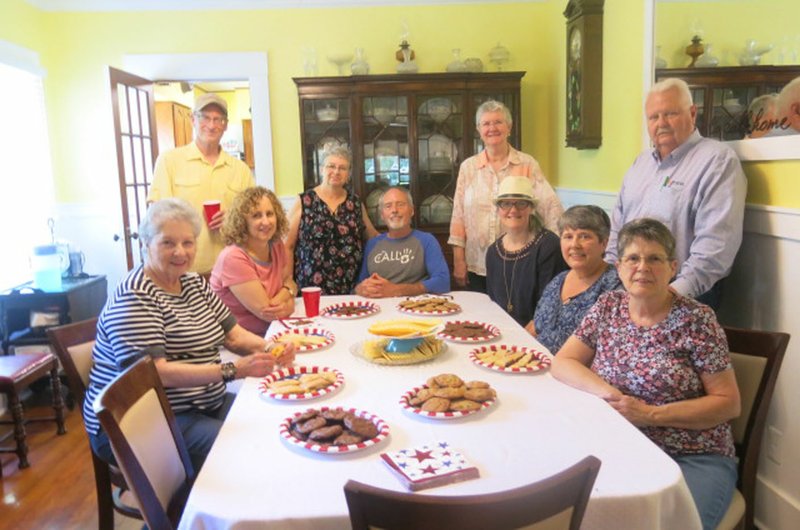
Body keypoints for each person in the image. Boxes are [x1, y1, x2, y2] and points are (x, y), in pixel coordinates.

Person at [552, 218, 740, 530]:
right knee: (570, 511)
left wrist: (650, 415)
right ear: (619, 266)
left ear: (673, 267)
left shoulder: (698, 320)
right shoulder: (608, 305)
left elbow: (728, 403)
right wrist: (612, 396)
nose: (643, 267)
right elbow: (564, 361)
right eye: (633, 258)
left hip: (691, 456)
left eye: (654, 258)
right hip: (617, 443)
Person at [83, 198, 295, 472]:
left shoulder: (193, 283)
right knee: (251, 449)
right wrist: (233, 370)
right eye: (168, 243)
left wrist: (270, 347)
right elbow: (156, 373)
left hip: (199, 406)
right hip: (142, 421)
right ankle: (211, 510)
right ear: (145, 244)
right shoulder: (135, 296)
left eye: (188, 242)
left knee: (276, 421)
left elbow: (233, 336)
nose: (180, 251)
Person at [606, 78, 746, 310]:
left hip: (683, 294)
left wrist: (670, 295)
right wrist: (611, 282)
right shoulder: (640, 164)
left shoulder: (717, 161)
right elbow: (617, 228)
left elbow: (716, 248)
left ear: (692, 113)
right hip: (628, 289)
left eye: (670, 114)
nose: (661, 123)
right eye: (653, 117)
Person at [449, 100, 563, 293]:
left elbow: (550, 208)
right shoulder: (468, 167)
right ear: (478, 129)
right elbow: (458, 216)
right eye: (486, 123)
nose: (492, 128)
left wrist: (558, 251)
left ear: (509, 127)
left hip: (518, 262)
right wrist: (459, 260)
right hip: (477, 263)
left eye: (498, 122)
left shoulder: (527, 163)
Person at [149, 93, 254, 275]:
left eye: (218, 119)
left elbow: (255, 217)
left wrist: (233, 218)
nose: (211, 125)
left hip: (230, 273)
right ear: (193, 120)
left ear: (225, 125)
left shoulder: (240, 169)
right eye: (205, 117)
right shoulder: (169, 161)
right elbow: (156, 216)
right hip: (183, 271)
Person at [286, 146, 378, 295]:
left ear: (348, 174)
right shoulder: (304, 201)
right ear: (322, 169)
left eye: (342, 168)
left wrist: (400, 240)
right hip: (311, 289)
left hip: (351, 287)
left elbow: (373, 238)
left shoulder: (355, 203)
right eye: (331, 166)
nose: (336, 172)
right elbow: (287, 246)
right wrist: (287, 280)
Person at [532, 205, 621, 353]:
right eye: (568, 236)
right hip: (536, 365)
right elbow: (536, 326)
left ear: (604, 243)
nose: (574, 245)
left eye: (585, 236)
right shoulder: (558, 280)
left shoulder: (615, 288)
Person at [210, 187, 297, 337]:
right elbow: (267, 312)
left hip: (272, 331)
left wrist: (288, 291)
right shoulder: (233, 258)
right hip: (236, 344)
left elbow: (290, 282)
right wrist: (289, 302)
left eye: (270, 214)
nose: (266, 221)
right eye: (256, 216)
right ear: (243, 221)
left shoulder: (276, 245)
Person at [486, 176, 567, 330]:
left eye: (521, 203)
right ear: (498, 210)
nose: (513, 210)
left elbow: (550, 307)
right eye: (506, 203)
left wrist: (522, 337)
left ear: (531, 208)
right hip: (502, 332)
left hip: (539, 334)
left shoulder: (549, 246)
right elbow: (494, 305)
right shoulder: (493, 252)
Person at [354, 187, 450, 298]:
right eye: (388, 206)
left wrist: (397, 290)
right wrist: (360, 289)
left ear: (412, 210)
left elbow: (443, 282)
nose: (394, 210)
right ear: (382, 215)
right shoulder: (372, 244)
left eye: (400, 204)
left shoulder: (427, 241)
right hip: (378, 309)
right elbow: (360, 284)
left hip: (414, 308)